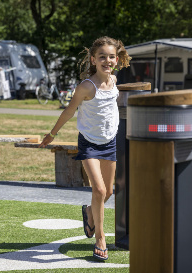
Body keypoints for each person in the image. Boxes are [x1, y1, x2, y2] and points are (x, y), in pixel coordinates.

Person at [39, 36, 131, 261]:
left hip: (109, 142)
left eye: (111, 57)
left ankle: (90, 212)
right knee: (98, 191)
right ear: (93, 59)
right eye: (102, 57)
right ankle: (100, 238)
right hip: (89, 143)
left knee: (108, 191)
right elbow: (69, 111)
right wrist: (52, 134)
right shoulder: (86, 86)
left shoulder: (115, 81)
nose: (107, 61)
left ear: (116, 59)